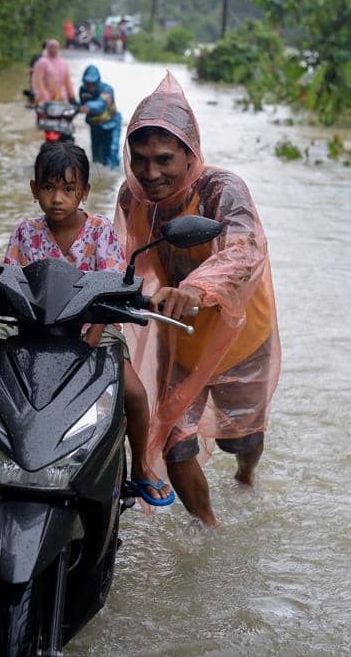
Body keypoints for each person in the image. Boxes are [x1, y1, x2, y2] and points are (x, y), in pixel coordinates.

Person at [0, 142, 175, 504]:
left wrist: (93, 335)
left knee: (133, 391)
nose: (58, 198)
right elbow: (10, 282)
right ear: (34, 190)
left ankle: (142, 467)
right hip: (28, 329)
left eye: (68, 189)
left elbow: (112, 290)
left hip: (91, 331)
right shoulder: (25, 232)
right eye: (49, 188)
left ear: (84, 192)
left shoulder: (100, 231)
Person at [114, 71, 281, 526]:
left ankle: (247, 478)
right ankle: (208, 530)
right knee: (174, 439)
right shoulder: (134, 199)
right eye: (140, 158)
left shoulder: (222, 190)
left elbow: (245, 251)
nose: (151, 173)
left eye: (164, 159)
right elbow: (117, 258)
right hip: (181, 335)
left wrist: (195, 289)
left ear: (191, 154)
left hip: (241, 337)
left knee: (243, 439)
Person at [77, 65, 122, 170]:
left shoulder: (107, 89)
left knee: (112, 152)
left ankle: (113, 178)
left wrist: (87, 107)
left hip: (112, 125)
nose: (90, 87)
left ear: (98, 81)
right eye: (88, 84)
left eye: (93, 84)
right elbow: (80, 104)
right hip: (95, 126)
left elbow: (101, 105)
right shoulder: (83, 90)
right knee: (97, 159)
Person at [31, 39, 75, 104]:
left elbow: (67, 82)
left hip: (61, 97)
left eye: (55, 47)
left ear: (58, 49)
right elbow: (38, 81)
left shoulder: (63, 63)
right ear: (47, 48)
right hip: (44, 98)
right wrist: (44, 96)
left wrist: (72, 96)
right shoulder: (42, 62)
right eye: (51, 47)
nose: (53, 49)